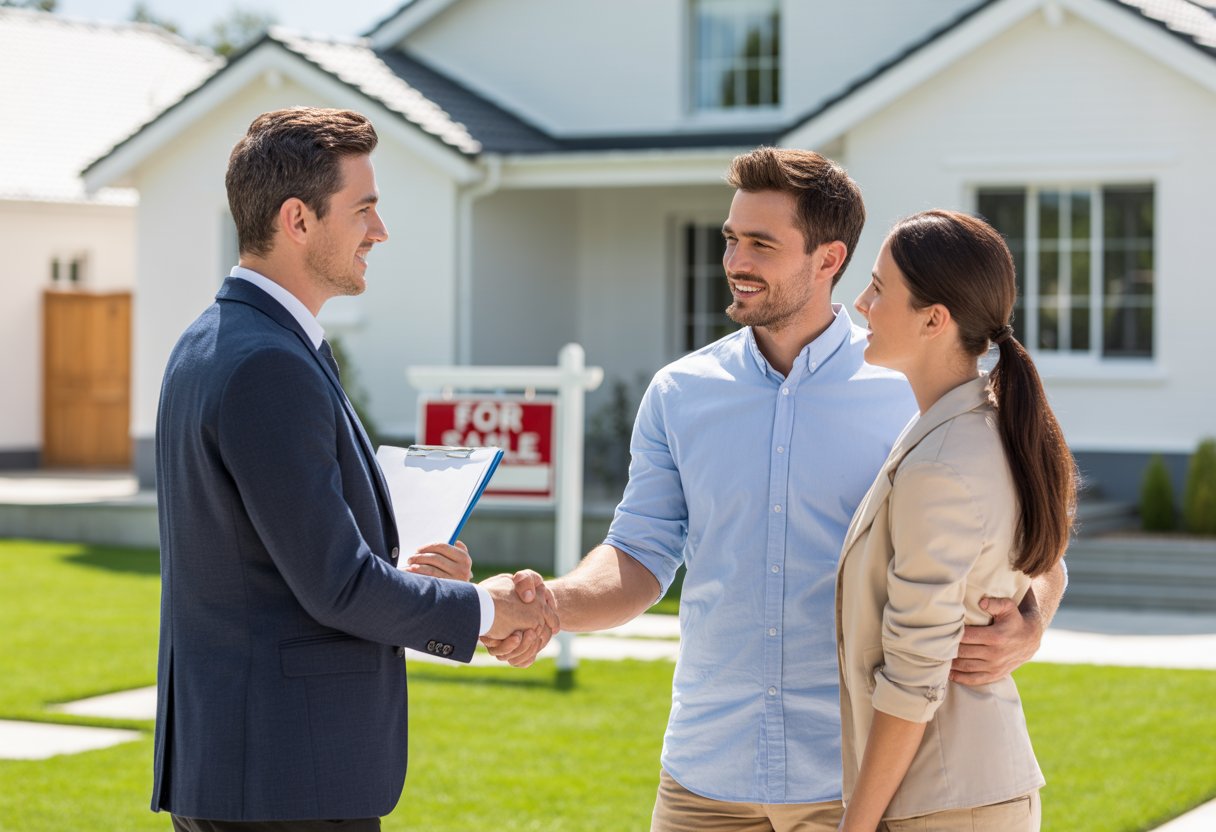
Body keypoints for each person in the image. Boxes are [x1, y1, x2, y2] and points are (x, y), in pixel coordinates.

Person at [484, 148, 1065, 832]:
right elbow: (639, 552)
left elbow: (1028, 547)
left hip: (850, 777)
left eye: (761, 243)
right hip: (705, 778)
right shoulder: (681, 393)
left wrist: (1032, 618)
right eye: (731, 239)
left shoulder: (913, 382)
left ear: (828, 260)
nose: (735, 261)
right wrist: (551, 604)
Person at [151, 107, 556, 831]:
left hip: (254, 767)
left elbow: (279, 559)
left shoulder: (218, 342)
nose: (380, 231)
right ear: (298, 220)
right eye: (364, 209)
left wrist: (404, 575)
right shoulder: (266, 363)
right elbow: (336, 587)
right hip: (282, 780)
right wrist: (490, 610)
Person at [836, 210, 1076, 831]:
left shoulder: (945, 461)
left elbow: (912, 678)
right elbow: (1047, 563)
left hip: (945, 803)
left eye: (879, 287)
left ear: (934, 319)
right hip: (959, 794)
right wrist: (1031, 620)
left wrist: (854, 826)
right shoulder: (978, 428)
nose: (861, 303)